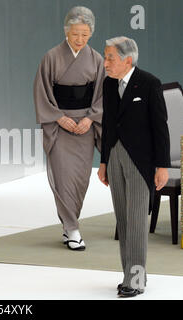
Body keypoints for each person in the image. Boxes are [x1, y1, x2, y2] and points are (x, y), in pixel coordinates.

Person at [98, 36, 170, 297]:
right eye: (105, 57)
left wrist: (162, 166)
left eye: (110, 58)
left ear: (127, 60)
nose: (105, 63)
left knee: (138, 221)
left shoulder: (150, 84)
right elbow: (107, 125)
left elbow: (160, 128)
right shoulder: (108, 84)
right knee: (124, 219)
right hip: (115, 157)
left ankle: (136, 280)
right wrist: (104, 161)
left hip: (141, 161)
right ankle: (129, 275)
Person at [33, 6, 105, 251]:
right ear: (67, 31)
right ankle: (73, 229)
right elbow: (42, 92)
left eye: (85, 35)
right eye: (76, 34)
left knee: (79, 179)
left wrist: (90, 119)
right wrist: (58, 117)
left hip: (84, 126)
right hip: (59, 125)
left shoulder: (96, 59)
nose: (80, 40)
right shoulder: (51, 57)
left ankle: (68, 225)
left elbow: (103, 96)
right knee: (63, 178)